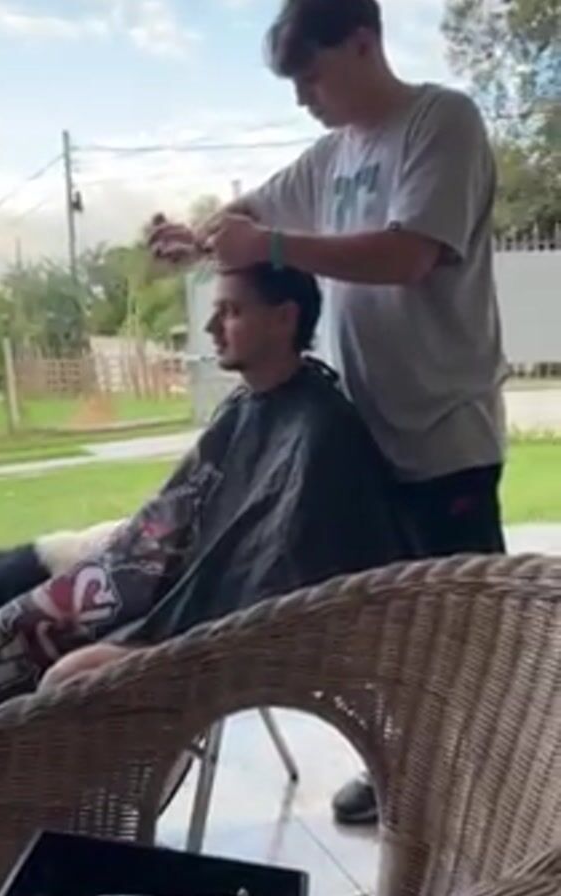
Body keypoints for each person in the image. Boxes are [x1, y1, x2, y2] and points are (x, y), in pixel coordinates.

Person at [150, 0, 507, 825]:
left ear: (363, 43)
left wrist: (272, 247)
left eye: (312, 75)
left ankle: (497, 794)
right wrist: (197, 239)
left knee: (468, 625)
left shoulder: (441, 123)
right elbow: (247, 219)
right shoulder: (331, 155)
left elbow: (409, 255)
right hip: (367, 430)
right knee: (394, 626)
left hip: (445, 431)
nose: (303, 97)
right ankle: (404, 768)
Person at [0, 262, 405, 851]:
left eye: (230, 311)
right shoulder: (247, 407)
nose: (212, 326)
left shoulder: (320, 431)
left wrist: (155, 644)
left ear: (284, 319)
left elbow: (274, 576)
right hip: (132, 578)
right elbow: (179, 518)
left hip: (181, 624)